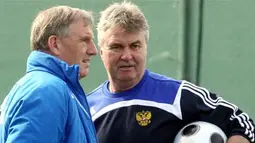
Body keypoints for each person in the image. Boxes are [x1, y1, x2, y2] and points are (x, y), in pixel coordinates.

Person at [87, 1, 255, 143]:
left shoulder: (177, 95)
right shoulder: (86, 108)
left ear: (145, 48)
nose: (127, 56)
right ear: (101, 52)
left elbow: (242, 123)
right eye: (116, 47)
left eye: (135, 46)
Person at [0, 5, 98, 143]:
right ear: (55, 44)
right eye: (84, 40)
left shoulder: (41, 86)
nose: (93, 50)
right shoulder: (46, 90)